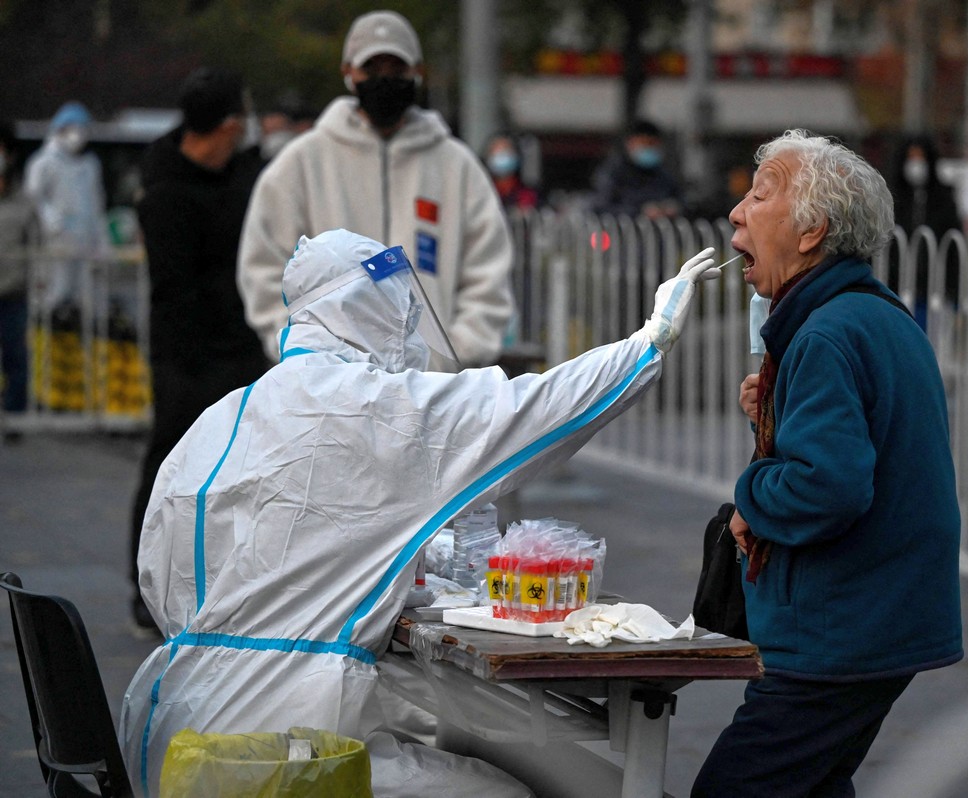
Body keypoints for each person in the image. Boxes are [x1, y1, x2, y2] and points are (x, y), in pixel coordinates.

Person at [121, 228, 718, 796]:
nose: (410, 330)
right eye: (403, 314)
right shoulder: (373, 407)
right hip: (291, 747)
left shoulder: (224, 415)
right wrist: (648, 342)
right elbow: (529, 410)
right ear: (368, 313)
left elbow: (168, 572)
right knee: (503, 793)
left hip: (171, 730)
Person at [692, 129, 963, 797]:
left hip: (841, 633)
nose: (736, 214)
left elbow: (827, 487)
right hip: (875, 620)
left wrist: (753, 493)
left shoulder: (826, 334)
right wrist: (773, 417)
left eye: (759, 196)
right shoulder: (870, 316)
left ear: (811, 231)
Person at [238, 9, 514, 369]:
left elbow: (487, 276)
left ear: (417, 71)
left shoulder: (456, 167)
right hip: (332, 393)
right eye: (372, 69)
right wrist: (306, 357)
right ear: (349, 73)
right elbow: (265, 271)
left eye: (396, 69)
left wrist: (451, 360)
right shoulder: (302, 164)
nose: (385, 80)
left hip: (434, 393)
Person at [126, 68, 271, 634]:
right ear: (228, 125)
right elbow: (177, 286)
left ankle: (233, 582)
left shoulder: (245, 178)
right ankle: (147, 584)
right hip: (184, 354)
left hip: (240, 348)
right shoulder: (162, 191)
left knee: (247, 470)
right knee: (169, 465)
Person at [24, 101, 109, 313]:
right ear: (61, 129)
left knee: (86, 299)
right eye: (75, 129)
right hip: (55, 242)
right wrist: (50, 221)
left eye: (83, 130)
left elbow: (97, 205)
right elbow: (33, 198)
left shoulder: (89, 165)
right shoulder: (43, 163)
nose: (79, 135)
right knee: (55, 293)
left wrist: (102, 239)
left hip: (85, 244)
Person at [888, 134, 962, 330]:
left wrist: (953, 290)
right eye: (911, 159)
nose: (916, 164)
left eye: (920, 159)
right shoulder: (890, 197)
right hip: (894, 286)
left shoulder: (943, 198)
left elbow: (953, 246)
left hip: (932, 288)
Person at [0, 121, 39, 441]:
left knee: (15, 357)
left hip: (13, 291)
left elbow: (38, 244)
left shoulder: (24, 200)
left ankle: (14, 420)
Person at [591, 118, 683, 219]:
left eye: (652, 144)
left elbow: (681, 201)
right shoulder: (613, 174)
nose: (648, 148)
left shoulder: (664, 176)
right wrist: (639, 211)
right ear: (630, 144)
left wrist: (673, 208)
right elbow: (601, 208)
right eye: (643, 143)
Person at [483, 131, 539, 210]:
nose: (501, 155)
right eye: (496, 151)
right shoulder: (483, 192)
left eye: (506, 150)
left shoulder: (527, 194)